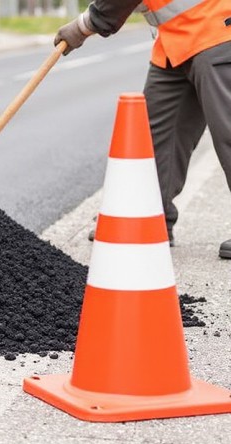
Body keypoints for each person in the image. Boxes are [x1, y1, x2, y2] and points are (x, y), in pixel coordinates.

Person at [57, 0, 231, 257]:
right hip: (175, 42)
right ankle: (146, 219)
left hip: (218, 30)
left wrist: (85, 25)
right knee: (152, 138)